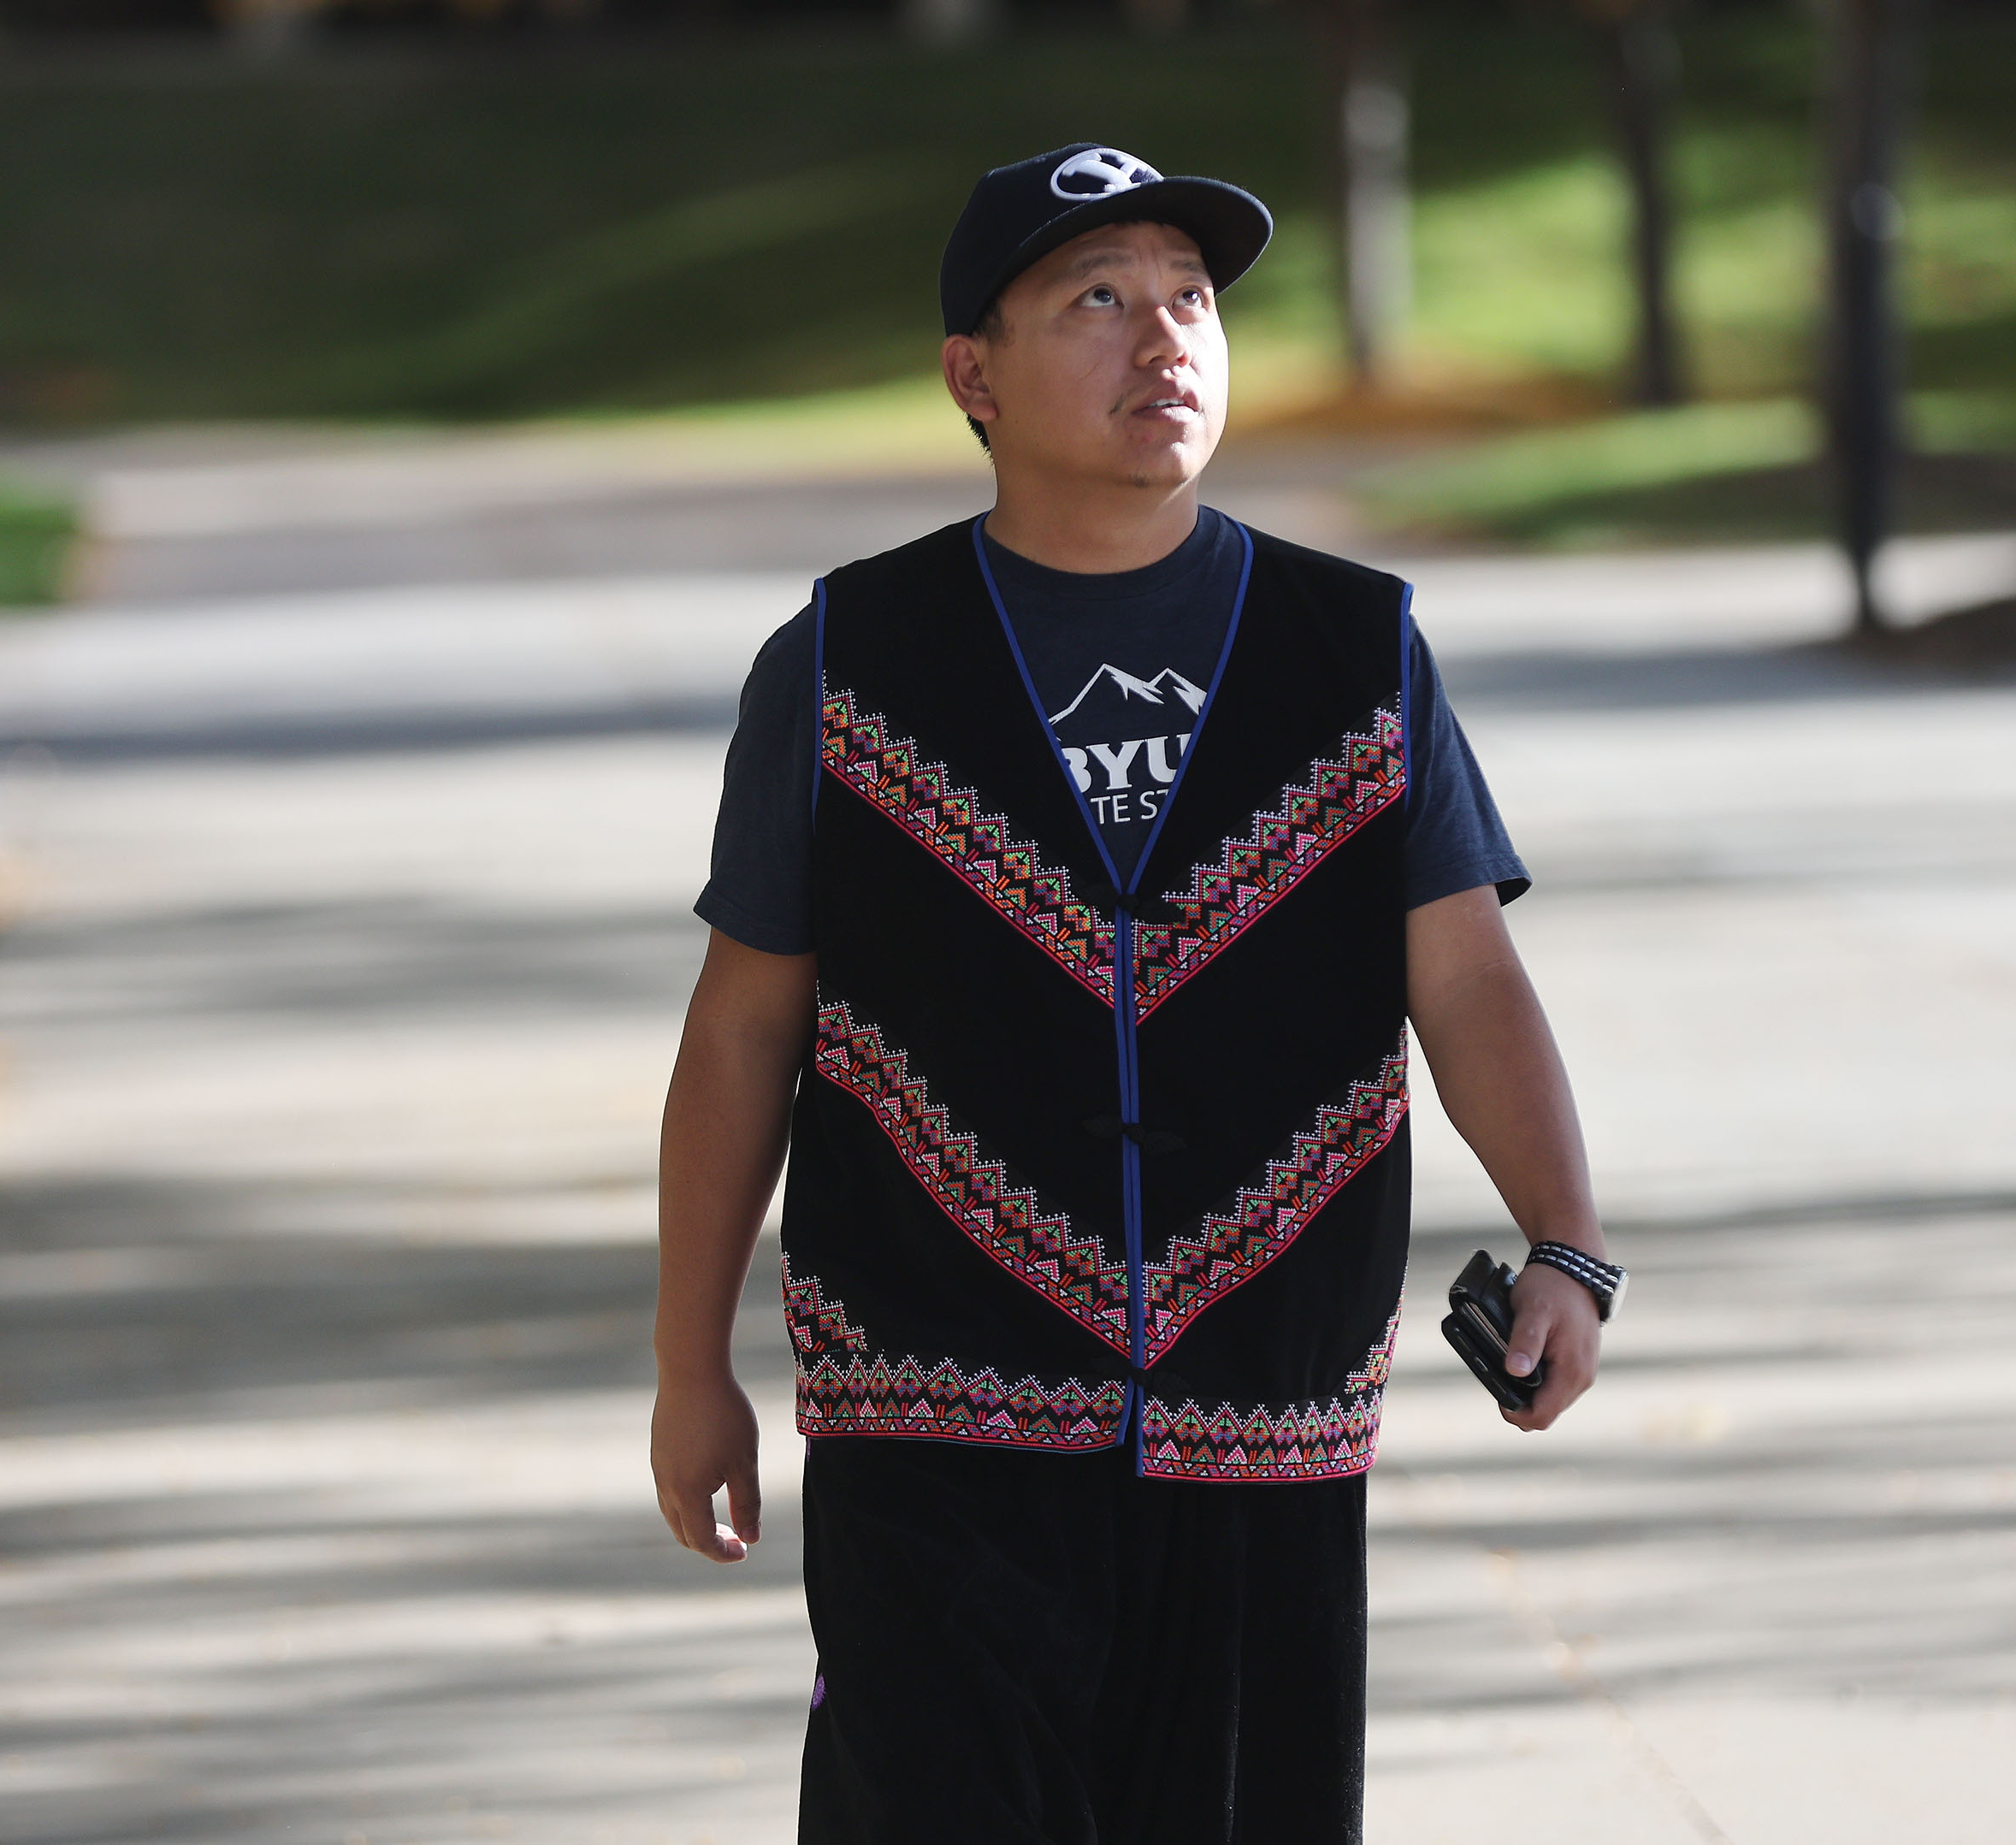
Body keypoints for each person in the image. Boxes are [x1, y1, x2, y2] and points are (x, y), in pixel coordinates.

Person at [649, 143, 1623, 1845]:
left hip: (1268, 1417)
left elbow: (1463, 969)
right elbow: (744, 1027)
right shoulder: (843, 661)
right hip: (932, 1422)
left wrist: (1565, 1240)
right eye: (1095, 301)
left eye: (1190, 298)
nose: (1163, 339)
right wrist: (687, 1362)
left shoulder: (1358, 646)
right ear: (974, 374)